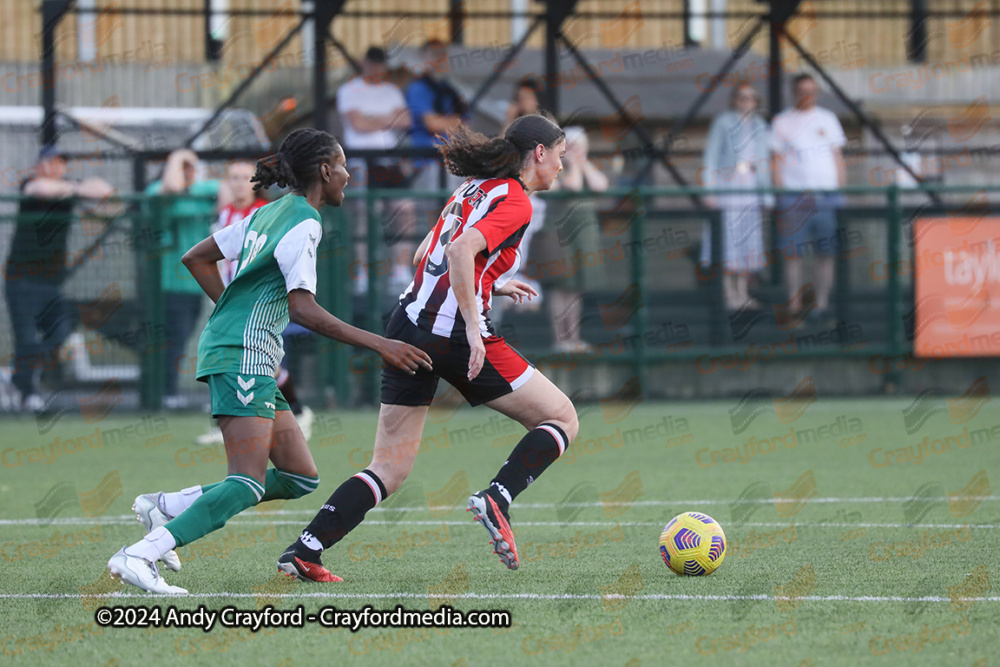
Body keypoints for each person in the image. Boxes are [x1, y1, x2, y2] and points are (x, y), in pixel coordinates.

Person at [107, 129, 432, 594]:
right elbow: (303, 308)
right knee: (246, 482)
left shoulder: (269, 213)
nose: (347, 175)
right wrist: (382, 344)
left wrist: (231, 314)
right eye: (342, 166)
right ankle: (142, 553)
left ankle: (165, 506)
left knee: (300, 476)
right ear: (324, 170)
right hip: (242, 356)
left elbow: (196, 258)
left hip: (247, 353)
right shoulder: (304, 223)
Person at [276, 114, 579, 582]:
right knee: (561, 418)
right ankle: (497, 497)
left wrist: (490, 284)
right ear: (539, 153)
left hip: (408, 325)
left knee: (388, 468)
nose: (562, 165)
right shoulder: (516, 201)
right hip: (453, 333)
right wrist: (476, 327)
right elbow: (459, 254)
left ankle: (306, 549)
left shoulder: (474, 187)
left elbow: (426, 258)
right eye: (560, 155)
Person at [195, 161, 316, 445]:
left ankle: (294, 412)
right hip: (228, 297)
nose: (237, 183)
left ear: (254, 183)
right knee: (240, 358)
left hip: (253, 300)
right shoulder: (225, 213)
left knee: (254, 359)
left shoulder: (263, 212)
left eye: (243, 178)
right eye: (232, 178)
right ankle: (287, 414)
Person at [3, 145, 114, 410]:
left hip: (51, 284)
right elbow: (39, 189)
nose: (57, 167)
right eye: (51, 162)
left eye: (62, 163)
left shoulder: (68, 190)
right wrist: (74, 189)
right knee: (26, 339)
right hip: (21, 281)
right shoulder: (31, 184)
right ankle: (27, 394)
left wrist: (73, 188)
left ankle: (16, 377)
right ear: (40, 165)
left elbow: (105, 191)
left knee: (61, 332)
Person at [145, 148, 224, 410]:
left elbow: (224, 193)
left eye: (192, 167)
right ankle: (163, 393)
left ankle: (166, 390)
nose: (189, 172)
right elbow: (170, 186)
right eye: (184, 168)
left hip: (194, 285)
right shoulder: (159, 192)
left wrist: (193, 170)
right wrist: (177, 157)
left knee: (181, 339)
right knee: (170, 340)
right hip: (166, 286)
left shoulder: (202, 195)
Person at [337, 45, 415, 297]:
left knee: (405, 209)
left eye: (380, 63)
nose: (376, 68)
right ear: (364, 63)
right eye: (372, 62)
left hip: (388, 161)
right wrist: (385, 119)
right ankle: (361, 272)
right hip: (361, 160)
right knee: (364, 212)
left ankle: (400, 270)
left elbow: (404, 120)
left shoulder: (392, 91)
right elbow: (357, 124)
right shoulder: (349, 90)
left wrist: (371, 118)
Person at [771, 73, 846, 320]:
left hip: (826, 196)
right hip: (794, 196)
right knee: (793, 253)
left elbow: (837, 156)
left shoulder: (828, 119)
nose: (807, 96)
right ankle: (794, 303)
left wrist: (841, 189)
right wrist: (780, 192)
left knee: (826, 252)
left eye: (811, 91)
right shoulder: (782, 121)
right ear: (793, 92)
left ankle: (821, 303)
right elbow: (775, 161)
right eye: (802, 91)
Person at [699, 85, 773, 311]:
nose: (746, 102)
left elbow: (764, 163)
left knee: (746, 242)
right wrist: (709, 190)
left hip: (750, 187)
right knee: (727, 240)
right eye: (742, 98)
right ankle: (727, 293)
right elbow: (711, 156)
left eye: (751, 98)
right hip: (728, 185)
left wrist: (767, 197)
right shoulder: (723, 122)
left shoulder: (761, 126)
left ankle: (743, 293)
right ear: (734, 100)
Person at [541, 126, 608, 351]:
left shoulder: (585, 165)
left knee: (576, 288)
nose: (573, 150)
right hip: (560, 235)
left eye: (577, 146)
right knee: (560, 287)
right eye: (569, 146)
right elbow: (572, 186)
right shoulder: (554, 168)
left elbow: (600, 185)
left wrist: (582, 162)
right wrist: (573, 163)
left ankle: (573, 338)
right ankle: (560, 340)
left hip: (583, 235)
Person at [407, 39, 469, 196]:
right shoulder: (418, 88)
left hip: (455, 159)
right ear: (424, 59)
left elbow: (467, 126)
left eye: (442, 55)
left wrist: (452, 123)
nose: (438, 60)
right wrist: (455, 122)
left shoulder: (450, 90)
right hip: (428, 161)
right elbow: (432, 124)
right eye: (433, 55)